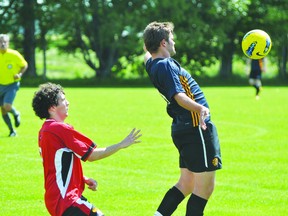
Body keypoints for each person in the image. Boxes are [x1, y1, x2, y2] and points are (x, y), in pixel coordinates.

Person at [143, 21, 222, 216]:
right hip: (196, 127)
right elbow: (179, 96)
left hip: (183, 127)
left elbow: (147, 52)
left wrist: (149, 38)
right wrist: (201, 108)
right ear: (163, 43)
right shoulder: (165, 65)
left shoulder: (152, 63)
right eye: (171, 39)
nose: (174, 42)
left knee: (186, 183)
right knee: (204, 188)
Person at [32, 82, 142, 216]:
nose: (68, 103)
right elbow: (91, 155)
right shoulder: (59, 129)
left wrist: (82, 178)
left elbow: (56, 166)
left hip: (56, 198)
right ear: (52, 108)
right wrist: (120, 145)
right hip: (67, 199)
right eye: (62, 100)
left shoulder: (44, 130)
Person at [0, 34, 28, 137]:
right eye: (0, 42)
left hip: (12, 84)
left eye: (4, 42)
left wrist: (20, 74)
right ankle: (12, 131)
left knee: (7, 106)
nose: (2, 44)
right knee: (2, 109)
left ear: (8, 43)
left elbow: (24, 65)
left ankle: (16, 113)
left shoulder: (14, 54)